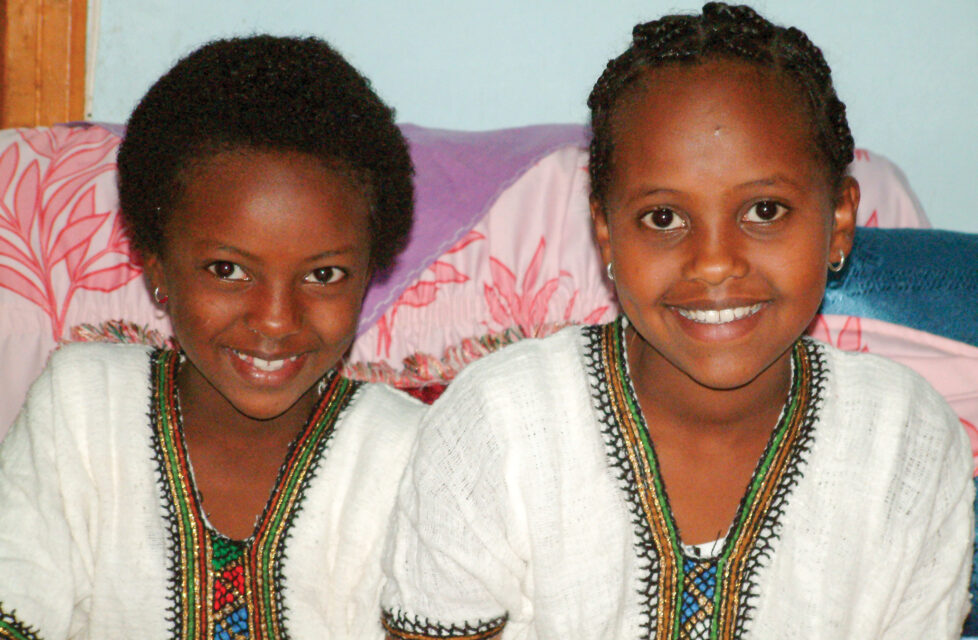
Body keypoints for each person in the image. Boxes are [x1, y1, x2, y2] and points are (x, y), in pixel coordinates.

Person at [380, 4, 973, 638]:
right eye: (664, 218)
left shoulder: (905, 441)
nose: (714, 264)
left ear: (840, 222)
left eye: (765, 210)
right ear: (605, 233)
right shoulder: (498, 426)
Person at [0, 35, 419, 638]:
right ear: (158, 267)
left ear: (369, 275)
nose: (276, 320)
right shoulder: (84, 409)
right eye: (229, 270)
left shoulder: (408, 454)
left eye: (323, 275)